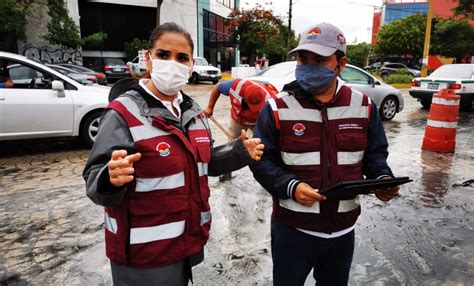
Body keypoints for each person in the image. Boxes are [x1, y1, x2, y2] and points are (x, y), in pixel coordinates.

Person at [83, 22, 264, 285]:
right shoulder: (122, 113)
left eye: (182, 58)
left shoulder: (194, 113)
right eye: (163, 55)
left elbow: (204, 163)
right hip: (142, 257)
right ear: (148, 58)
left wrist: (238, 152)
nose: (173, 63)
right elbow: (94, 180)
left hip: (185, 245)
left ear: (191, 65)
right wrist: (110, 178)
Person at [249, 22, 400, 285]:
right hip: (292, 230)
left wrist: (383, 179)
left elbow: (375, 154)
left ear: (341, 64)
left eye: (319, 60)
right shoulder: (277, 107)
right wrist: (291, 186)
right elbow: (262, 162)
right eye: (302, 58)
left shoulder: (362, 105)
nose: (308, 66)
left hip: (343, 231)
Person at [203, 79, 277, 181]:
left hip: (258, 121)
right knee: (230, 146)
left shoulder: (272, 97)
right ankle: (226, 171)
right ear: (245, 98)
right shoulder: (235, 87)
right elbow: (217, 87)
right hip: (237, 119)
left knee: (262, 145)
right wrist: (210, 107)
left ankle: (266, 174)